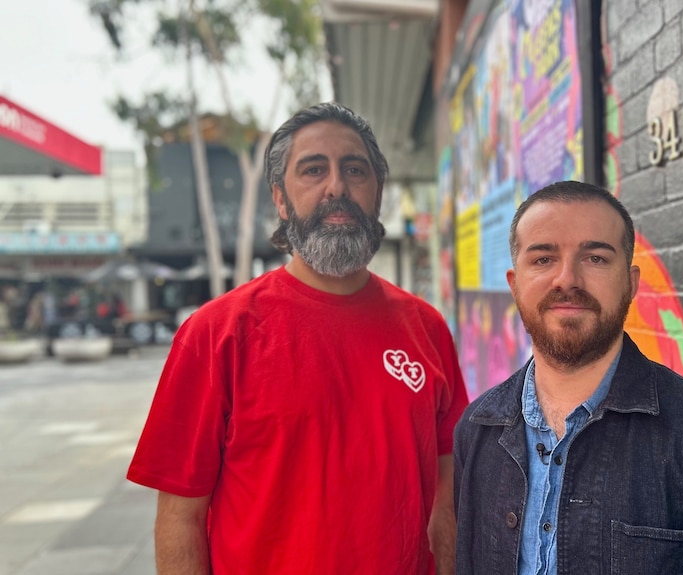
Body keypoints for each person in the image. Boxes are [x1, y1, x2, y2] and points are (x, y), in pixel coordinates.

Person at [128, 102, 468, 575]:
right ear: (281, 199)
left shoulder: (426, 329)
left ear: (377, 193)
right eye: (313, 170)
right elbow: (180, 518)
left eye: (355, 169)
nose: (336, 186)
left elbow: (447, 494)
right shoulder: (215, 334)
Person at [453, 180, 683, 574]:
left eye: (595, 258)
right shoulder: (476, 432)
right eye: (543, 259)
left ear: (631, 283)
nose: (567, 279)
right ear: (515, 285)